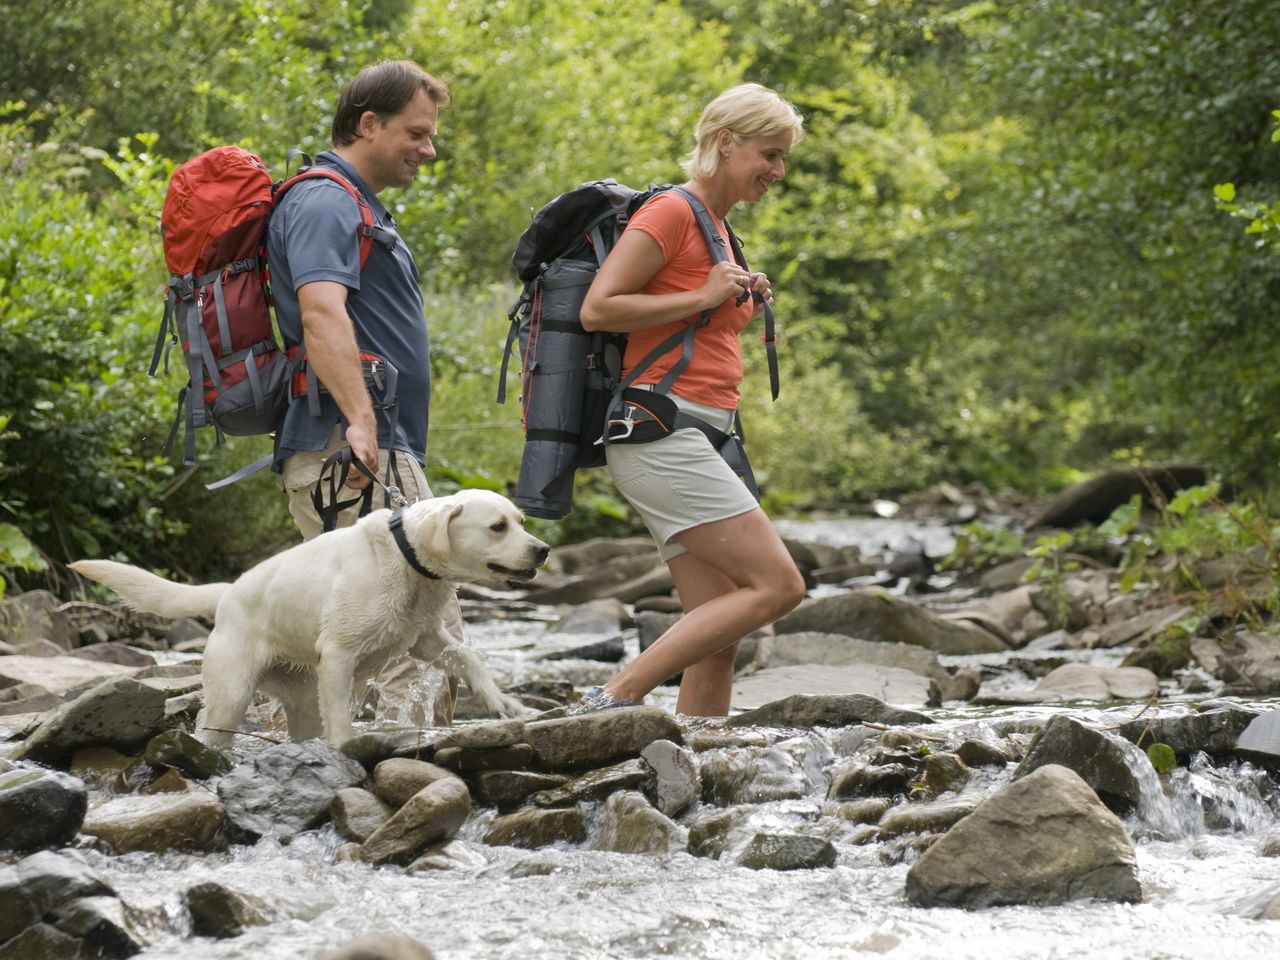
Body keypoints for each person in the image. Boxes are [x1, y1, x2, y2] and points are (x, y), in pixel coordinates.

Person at [571, 82, 809, 717]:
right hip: (660, 432)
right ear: (725, 143)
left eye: (784, 158)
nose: (778, 172)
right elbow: (599, 308)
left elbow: (693, 323)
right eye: (770, 154)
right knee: (779, 586)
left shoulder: (720, 230)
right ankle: (611, 696)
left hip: (703, 432)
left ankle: (703, 766)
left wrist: (736, 303)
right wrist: (703, 298)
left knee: (717, 634)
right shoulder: (672, 213)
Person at [266, 60, 462, 724]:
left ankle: (298, 787)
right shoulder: (326, 199)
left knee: (369, 640)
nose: (428, 150)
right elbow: (322, 314)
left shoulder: (353, 202)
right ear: (368, 123)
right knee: (421, 639)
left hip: (366, 447)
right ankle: (412, 790)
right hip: (353, 451)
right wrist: (360, 422)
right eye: (416, 133)